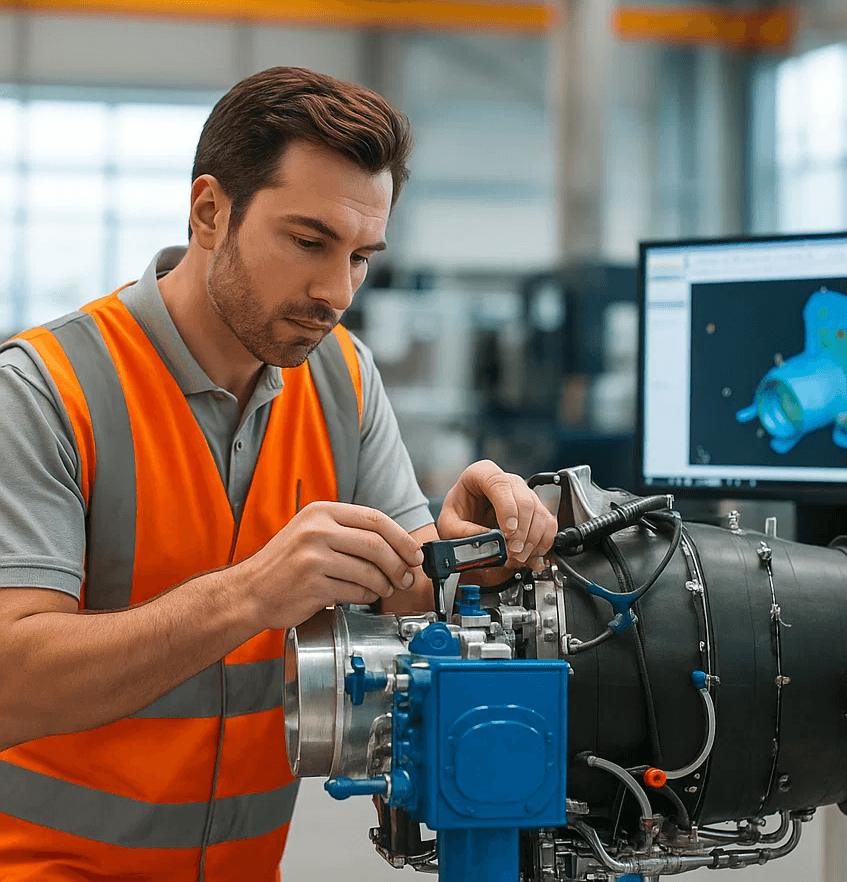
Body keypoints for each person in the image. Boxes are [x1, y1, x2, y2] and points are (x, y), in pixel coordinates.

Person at [0, 66, 557, 881]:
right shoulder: (45, 390)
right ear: (209, 213)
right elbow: (12, 682)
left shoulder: (343, 377)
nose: (337, 292)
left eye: (362, 256)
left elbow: (401, 590)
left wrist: (464, 550)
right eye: (309, 242)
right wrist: (250, 593)